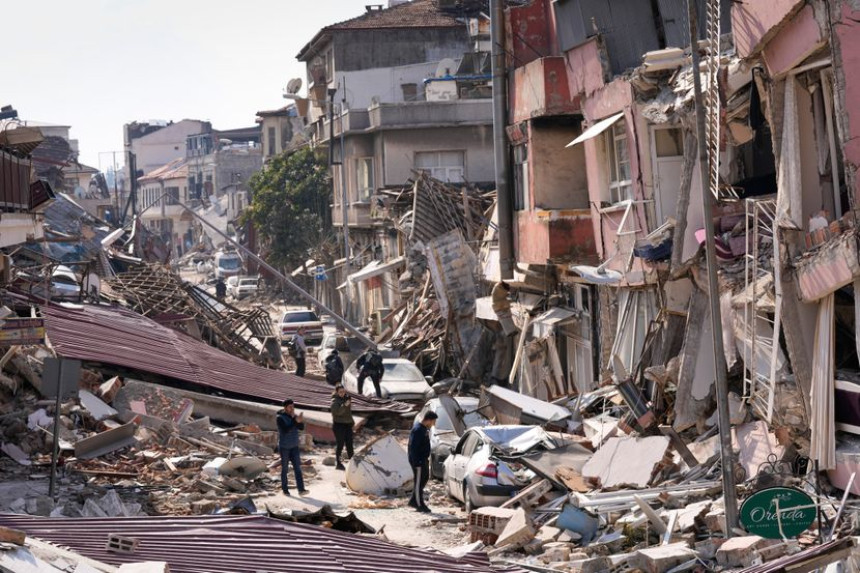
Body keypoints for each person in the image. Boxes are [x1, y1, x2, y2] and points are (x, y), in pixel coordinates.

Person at [276, 399, 309, 496]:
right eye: (290, 407)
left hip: (294, 446)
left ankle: (301, 490)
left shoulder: (294, 416)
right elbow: (286, 430)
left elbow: (301, 428)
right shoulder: (280, 418)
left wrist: (298, 420)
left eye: (293, 406)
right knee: (285, 469)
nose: (292, 408)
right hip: (284, 447)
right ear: (285, 408)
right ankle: (285, 490)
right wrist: (294, 420)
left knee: (298, 468)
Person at [407, 410, 437, 513]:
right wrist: (417, 462)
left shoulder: (423, 429)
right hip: (418, 461)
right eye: (433, 421)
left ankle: (413, 500)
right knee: (418, 482)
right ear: (428, 420)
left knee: (424, 478)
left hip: (423, 459)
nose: (434, 424)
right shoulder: (418, 429)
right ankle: (419, 505)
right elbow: (413, 448)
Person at [330, 384, 354, 471]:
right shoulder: (334, 401)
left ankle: (353, 462)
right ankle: (339, 463)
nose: (342, 393)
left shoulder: (346, 399)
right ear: (337, 392)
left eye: (343, 392)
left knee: (350, 444)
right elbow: (337, 413)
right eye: (340, 392)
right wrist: (344, 405)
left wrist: (352, 422)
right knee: (340, 445)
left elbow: (348, 413)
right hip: (339, 425)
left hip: (347, 424)